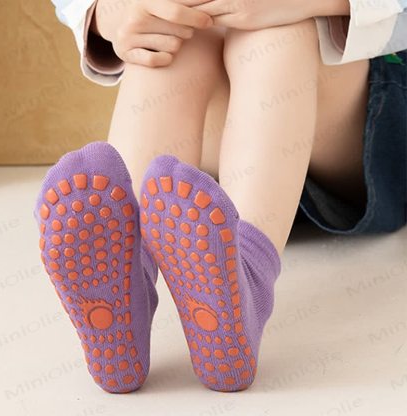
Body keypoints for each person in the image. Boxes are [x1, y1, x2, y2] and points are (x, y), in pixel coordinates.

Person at [35, 0, 407, 393]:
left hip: (361, 132)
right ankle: (130, 276)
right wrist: (107, 12)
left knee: (277, 34)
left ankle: (247, 278)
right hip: (230, 166)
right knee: (167, 36)